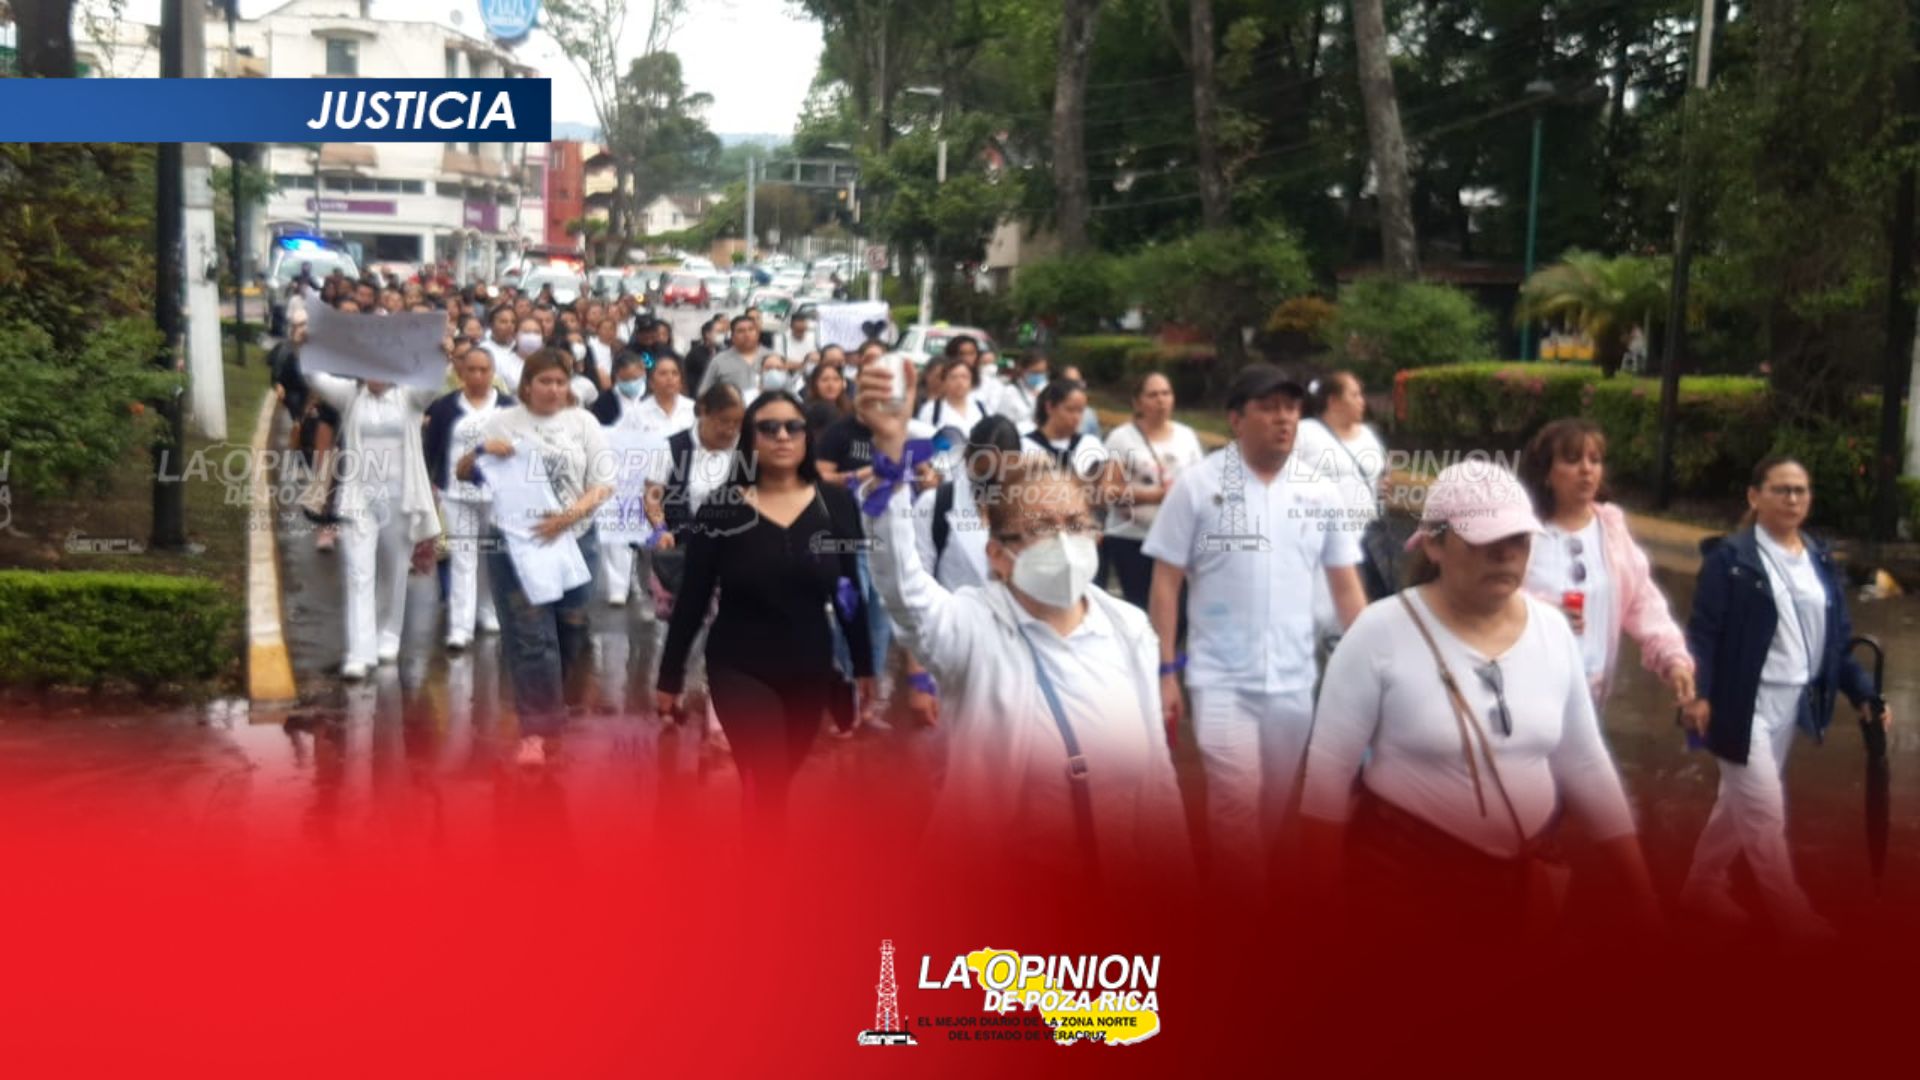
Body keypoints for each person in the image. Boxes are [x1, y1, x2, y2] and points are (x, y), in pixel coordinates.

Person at [854, 364, 1190, 882]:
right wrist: (891, 453)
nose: (1063, 542)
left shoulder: (1128, 629)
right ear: (999, 554)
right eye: (1041, 527)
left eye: (1075, 524)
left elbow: (1158, 784)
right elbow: (903, 587)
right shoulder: (973, 628)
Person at [1299, 461, 1661, 942]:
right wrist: (1319, 909)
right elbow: (1327, 775)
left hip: (1522, 885)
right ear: (1434, 544)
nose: (1505, 555)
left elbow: (1585, 761)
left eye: (1518, 540)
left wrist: (1641, 893)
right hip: (1402, 880)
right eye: (1484, 541)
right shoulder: (1379, 633)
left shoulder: (1553, 631)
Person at [1142, 364, 1368, 895]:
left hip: (1294, 682)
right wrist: (1166, 671)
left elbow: (1346, 589)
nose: (1283, 419)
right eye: (1268, 408)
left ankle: (1243, 896)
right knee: (1235, 808)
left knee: (1269, 813)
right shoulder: (1199, 487)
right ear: (1236, 420)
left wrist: (1378, 669)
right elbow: (1166, 584)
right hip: (1220, 680)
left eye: (1290, 408)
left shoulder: (1319, 492)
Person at [1678, 455, 1891, 938]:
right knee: (1764, 808)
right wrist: (1697, 694)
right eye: (1781, 489)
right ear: (1755, 496)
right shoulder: (1730, 560)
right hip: (1738, 701)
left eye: (1800, 490)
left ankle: (1701, 885)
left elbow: (1836, 640)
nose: (1793, 499)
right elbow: (1703, 634)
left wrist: (1863, 694)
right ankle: (1793, 920)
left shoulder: (1818, 558)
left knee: (1738, 802)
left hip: (1790, 699)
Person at [654, 391, 875, 827]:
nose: (782, 436)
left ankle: (759, 829)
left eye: (793, 427)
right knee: (769, 775)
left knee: (776, 781)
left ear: (807, 436)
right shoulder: (721, 509)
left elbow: (848, 590)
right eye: (768, 428)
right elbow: (694, 597)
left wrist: (864, 665)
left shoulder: (836, 505)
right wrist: (670, 676)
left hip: (809, 665)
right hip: (739, 665)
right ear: (750, 439)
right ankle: (763, 861)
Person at [458, 349, 616, 767]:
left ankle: (553, 705)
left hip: (575, 539)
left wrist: (567, 518)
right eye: (545, 381)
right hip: (517, 544)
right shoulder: (502, 422)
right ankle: (536, 730)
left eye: (561, 382)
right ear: (527, 385)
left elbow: (603, 483)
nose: (553, 389)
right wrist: (479, 451)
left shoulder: (583, 423)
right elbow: (463, 472)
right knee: (530, 636)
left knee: (570, 630)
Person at [1518, 418, 1694, 711]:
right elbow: (1490, 599)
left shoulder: (1611, 528)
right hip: (1527, 691)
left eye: (1595, 460)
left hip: (1590, 692)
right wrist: (1543, 615)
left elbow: (1643, 601)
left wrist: (1673, 657)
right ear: (1546, 472)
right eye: (1572, 460)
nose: (1586, 469)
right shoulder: (1522, 532)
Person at [304, 369, 446, 681]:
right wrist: (305, 347)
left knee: (393, 571)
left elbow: (433, 381)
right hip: (359, 499)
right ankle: (359, 652)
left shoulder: (409, 396)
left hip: (400, 499)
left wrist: (441, 355)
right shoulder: (350, 396)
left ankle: (389, 634)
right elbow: (313, 376)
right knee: (358, 573)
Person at [424, 345, 512, 650]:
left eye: (483, 370)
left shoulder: (508, 407)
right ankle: (460, 627)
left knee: (490, 556)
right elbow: (432, 448)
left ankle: (488, 611)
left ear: (492, 372)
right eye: (471, 369)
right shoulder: (444, 407)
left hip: (496, 495)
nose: (477, 375)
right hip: (456, 493)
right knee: (463, 557)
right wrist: (433, 484)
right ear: (461, 371)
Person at [1101, 372, 1205, 610]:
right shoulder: (1121, 439)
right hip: (1133, 538)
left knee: (1179, 609)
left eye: (1166, 394)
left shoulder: (1186, 437)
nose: (1161, 400)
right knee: (1142, 608)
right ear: (1137, 402)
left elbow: (1201, 484)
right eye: (1153, 395)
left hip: (1177, 537)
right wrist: (1155, 495)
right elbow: (1108, 489)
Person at [1023, 378, 1108, 482]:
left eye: (1080, 411)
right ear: (1050, 407)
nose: (1076, 417)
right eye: (1070, 409)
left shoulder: (1091, 444)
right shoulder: (1025, 446)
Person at [695, 314, 769, 398]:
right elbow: (703, 393)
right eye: (741, 331)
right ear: (732, 336)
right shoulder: (719, 361)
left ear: (758, 333)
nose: (747, 334)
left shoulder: (772, 357)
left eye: (751, 329)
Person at [916, 356, 993, 430]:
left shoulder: (982, 408)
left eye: (964, 377)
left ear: (972, 382)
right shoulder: (931, 410)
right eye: (953, 377)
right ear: (944, 381)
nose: (959, 382)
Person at [997, 352, 1049, 432]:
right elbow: (1002, 424)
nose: (1039, 376)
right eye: (1035, 372)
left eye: (1042, 372)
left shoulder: (1046, 389)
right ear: (1022, 370)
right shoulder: (1010, 392)